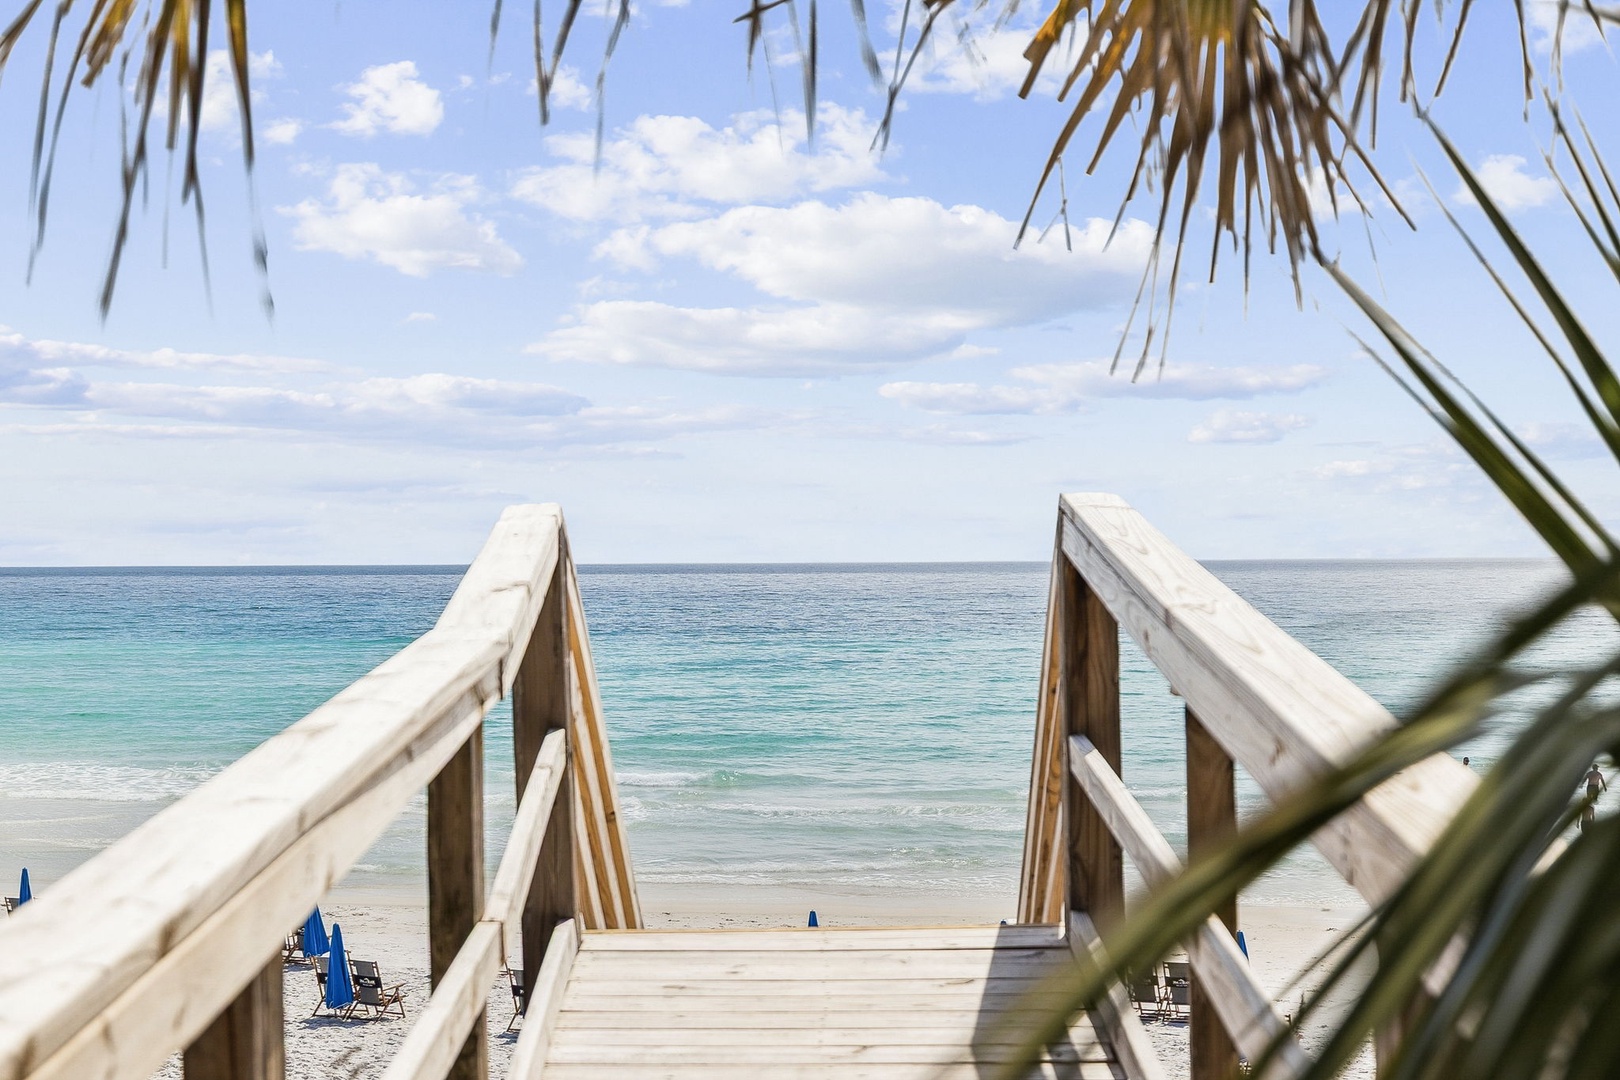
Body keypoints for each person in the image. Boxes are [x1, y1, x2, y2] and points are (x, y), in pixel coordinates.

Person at [1581, 763, 1607, 832]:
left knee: (1589, 799)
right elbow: (1602, 781)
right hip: (1595, 787)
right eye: (1597, 767)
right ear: (1596, 768)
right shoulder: (1599, 774)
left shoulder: (1589, 773)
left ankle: (1590, 810)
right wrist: (1604, 787)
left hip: (1590, 787)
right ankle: (1591, 811)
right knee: (1594, 800)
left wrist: (1582, 784)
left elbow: (1584, 779)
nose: (1597, 768)